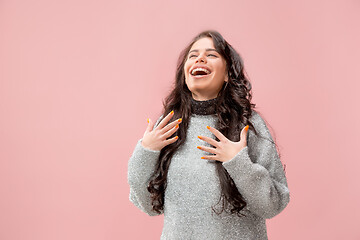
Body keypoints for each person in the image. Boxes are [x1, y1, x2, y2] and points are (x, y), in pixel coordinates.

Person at [127, 30, 290, 239]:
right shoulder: (167, 125)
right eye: (193, 56)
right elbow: (148, 206)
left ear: (227, 74)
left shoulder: (247, 124)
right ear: (185, 73)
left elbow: (273, 205)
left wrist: (238, 162)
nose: (200, 58)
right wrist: (145, 151)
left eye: (211, 55)